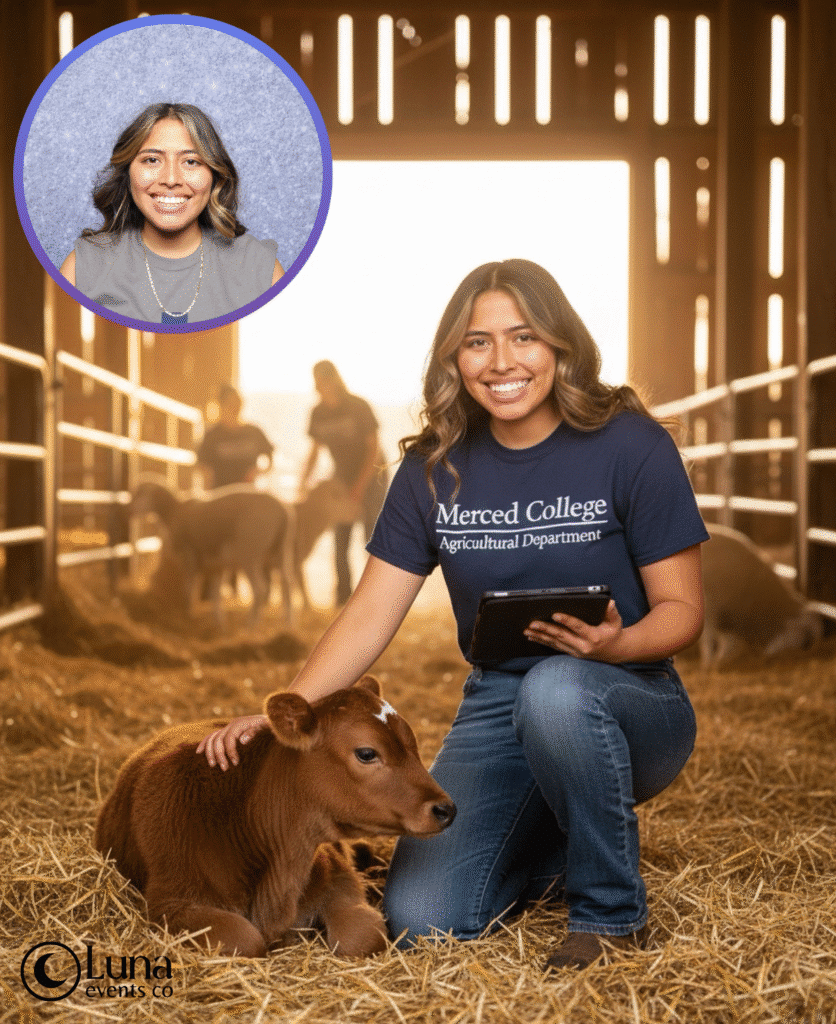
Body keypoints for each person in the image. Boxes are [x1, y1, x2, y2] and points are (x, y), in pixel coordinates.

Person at [198, 259, 708, 972]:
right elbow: (370, 609)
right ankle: (559, 843)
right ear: (453, 359)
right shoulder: (435, 468)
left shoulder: (632, 447)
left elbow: (684, 611)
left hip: (628, 696)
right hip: (501, 704)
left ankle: (609, 914)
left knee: (556, 689)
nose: (502, 362)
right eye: (477, 343)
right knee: (424, 921)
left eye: (523, 337)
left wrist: (616, 645)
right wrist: (289, 710)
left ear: (560, 343)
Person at [60, 103, 283, 325]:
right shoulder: (82, 268)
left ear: (215, 176)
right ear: (127, 173)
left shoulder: (262, 271)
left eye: (191, 161)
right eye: (152, 160)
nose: (171, 179)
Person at [300, 361, 388, 605]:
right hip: (342, 478)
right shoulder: (318, 413)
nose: (320, 387)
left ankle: (376, 599)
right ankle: (343, 598)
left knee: (371, 538)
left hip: (372, 476)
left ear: (334, 381)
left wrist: (360, 487)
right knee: (341, 538)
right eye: (317, 381)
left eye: (324, 380)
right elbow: (314, 452)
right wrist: (303, 483)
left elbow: (374, 450)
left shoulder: (358, 407)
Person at [196, 384, 274, 490]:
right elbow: (203, 466)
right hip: (221, 494)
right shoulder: (212, 436)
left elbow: (270, 457)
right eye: (231, 404)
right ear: (221, 406)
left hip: (247, 493)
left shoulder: (254, 432)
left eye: (238, 403)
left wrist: (258, 471)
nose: (235, 408)